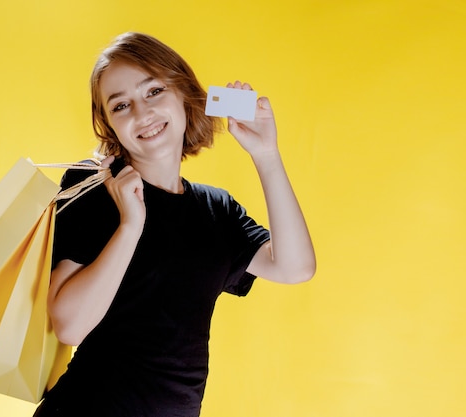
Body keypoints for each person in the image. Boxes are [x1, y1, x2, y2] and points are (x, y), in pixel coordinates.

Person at [34, 32, 316, 417]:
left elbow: (295, 267)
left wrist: (266, 154)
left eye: (153, 91)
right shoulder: (94, 187)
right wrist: (130, 226)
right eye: (120, 106)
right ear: (109, 125)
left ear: (184, 93)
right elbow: (69, 326)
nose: (141, 114)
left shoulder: (217, 211)